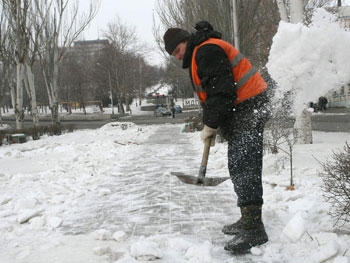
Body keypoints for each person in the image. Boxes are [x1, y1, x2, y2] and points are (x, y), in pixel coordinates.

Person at [163, 21, 271, 253]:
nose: (177, 56)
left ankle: (254, 229)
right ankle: (248, 219)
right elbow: (213, 94)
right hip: (244, 108)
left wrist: (211, 125)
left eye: (177, 50)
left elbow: (222, 93)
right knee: (239, 164)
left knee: (244, 165)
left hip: (249, 106)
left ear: (185, 41)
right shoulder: (201, 51)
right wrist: (213, 124)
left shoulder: (206, 51)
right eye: (173, 54)